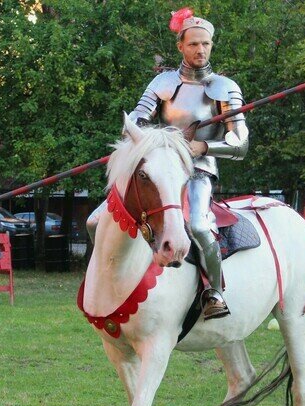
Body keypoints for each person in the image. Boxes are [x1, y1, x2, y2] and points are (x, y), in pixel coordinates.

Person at [86, 12, 248, 320]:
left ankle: (215, 293)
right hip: (160, 171)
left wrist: (204, 146)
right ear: (181, 47)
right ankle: (109, 275)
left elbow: (241, 144)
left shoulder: (225, 88)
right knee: (95, 221)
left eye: (206, 44)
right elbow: (138, 117)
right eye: (194, 44)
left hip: (196, 172)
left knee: (200, 226)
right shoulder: (163, 83)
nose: (201, 50)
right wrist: (137, 129)